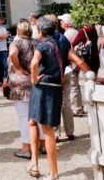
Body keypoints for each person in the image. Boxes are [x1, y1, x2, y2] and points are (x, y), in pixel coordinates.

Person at [28, 16, 90, 180]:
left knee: (47, 130)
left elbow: (34, 64)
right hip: (55, 88)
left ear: (41, 32)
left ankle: (54, 173)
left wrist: (34, 79)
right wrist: (92, 77)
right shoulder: (62, 44)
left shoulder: (41, 46)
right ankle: (34, 163)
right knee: (33, 122)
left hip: (43, 89)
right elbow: (79, 61)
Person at [8, 19, 45, 159]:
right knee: (38, 116)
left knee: (24, 117)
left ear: (18, 31)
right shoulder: (37, 42)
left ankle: (26, 148)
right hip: (34, 82)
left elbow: (12, 54)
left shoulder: (16, 42)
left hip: (20, 84)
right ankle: (42, 144)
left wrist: (17, 68)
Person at [58, 14, 84, 116]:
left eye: (62, 21)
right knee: (76, 85)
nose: (60, 23)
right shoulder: (75, 31)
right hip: (76, 61)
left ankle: (77, 109)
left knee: (73, 86)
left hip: (72, 62)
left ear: (67, 23)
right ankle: (79, 107)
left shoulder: (67, 34)